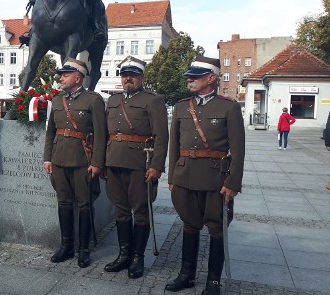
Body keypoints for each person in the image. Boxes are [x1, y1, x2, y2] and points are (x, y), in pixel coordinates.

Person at [166, 56, 245, 295]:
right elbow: (174, 145)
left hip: (215, 179)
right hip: (185, 177)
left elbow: (238, 149)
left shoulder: (228, 107)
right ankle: (186, 275)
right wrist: (172, 178)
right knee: (189, 226)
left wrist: (232, 183)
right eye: (190, 76)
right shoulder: (181, 107)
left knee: (217, 229)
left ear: (211, 78)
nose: (189, 79)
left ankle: (213, 281)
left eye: (196, 76)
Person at [103, 56, 168, 278]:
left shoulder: (153, 100)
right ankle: (124, 255)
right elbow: (104, 134)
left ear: (141, 77)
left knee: (140, 211)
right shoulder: (112, 101)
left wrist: (157, 166)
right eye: (124, 74)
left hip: (140, 164)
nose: (127, 78)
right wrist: (101, 162)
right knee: (120, 209)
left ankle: (138, 258)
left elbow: (161, 136)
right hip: (113, 162)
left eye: (132, 74)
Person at [43, 58, 107, 268]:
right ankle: (66, 246)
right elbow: (50, 131)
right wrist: (47, 158)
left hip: (83, 160)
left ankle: (84, 249)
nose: (60, 78)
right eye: (61, 75)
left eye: (65, 75)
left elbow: (100, 134)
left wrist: (97, 163)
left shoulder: (93, 100)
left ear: (77, 77)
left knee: (85, 204)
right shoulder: (56, 100)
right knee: (63, 202)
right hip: (60, 160)